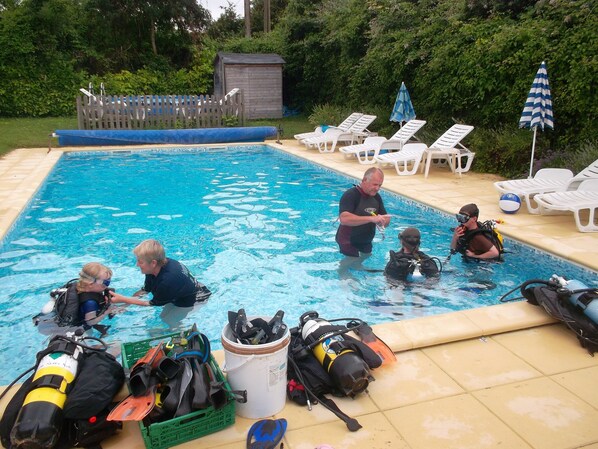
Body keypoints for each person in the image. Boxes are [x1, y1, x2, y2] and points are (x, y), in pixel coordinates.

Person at [110, 239, 211, 308]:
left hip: (196, 299)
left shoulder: (167, 281)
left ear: (153, 263)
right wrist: (124, 305)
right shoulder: (155, 267)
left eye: (140, 262)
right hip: (181, 290)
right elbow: (145, 290)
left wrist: (123, 299)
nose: (137, 265)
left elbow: (150, 303)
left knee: (167, 322)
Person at [34, 262, 114, 333]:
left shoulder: (75, 286)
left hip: (55, 322)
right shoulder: (90, 303)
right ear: (90, 283)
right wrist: (107, 311)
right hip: (73, 330)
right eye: (106, 283)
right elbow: (91, 322)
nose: (107, 286)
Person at [335, 167, 391, 257]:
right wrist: (371, 218)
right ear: (365, 180)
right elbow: (344, 219)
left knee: (365, 259)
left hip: (366, 241)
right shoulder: (351, 195)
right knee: (349, 265)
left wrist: (384, 221)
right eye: (375, 184)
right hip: (348, 241)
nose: (377, 188)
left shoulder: (376, 197)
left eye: (380, 185)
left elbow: (386, 219)